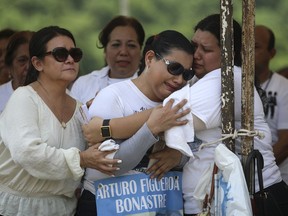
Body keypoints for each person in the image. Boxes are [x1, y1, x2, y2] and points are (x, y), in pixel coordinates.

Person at [0, 26, 121, 216]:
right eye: (60, 54)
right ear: (38, 63)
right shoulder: (24, 98)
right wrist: (80, 159)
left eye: (75, 53)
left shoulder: (81, 109)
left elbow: (98, 151)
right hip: (17, 208)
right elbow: (27, 152)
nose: (70, 59)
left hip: (64, 209)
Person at [76, 30, 195, 215]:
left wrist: (179, 157)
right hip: (106, 207)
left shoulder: (180, 102)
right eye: (174, 68)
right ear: (149, 59)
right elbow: (112, 166)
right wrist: (151, 129)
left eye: (187, 74)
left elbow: (200, 147)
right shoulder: (113, 96)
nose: (179, 79)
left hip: (158, 206)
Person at [181, 14, 288, 216]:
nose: (196, 54)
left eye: (206, 49)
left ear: (229, 54)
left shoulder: (227, 77)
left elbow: (172, 121)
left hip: (256, 198)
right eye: (193, 46)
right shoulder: (200, 79)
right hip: (235, 199)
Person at [70, 15, 145, 104]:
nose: (123, 52)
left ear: (141, 51)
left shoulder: (153, 87)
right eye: (116, 45)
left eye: (131, 45)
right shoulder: (84, 84)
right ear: (105, 50)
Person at [255, 25, 288, 184]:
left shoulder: (284, 87)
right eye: (243, 46)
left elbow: (285, 142)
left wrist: (253, 169)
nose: (247, 51)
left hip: (276, 181)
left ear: (272, 53)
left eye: (255, 46)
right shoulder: (232, 84)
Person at [0, 30, 34, 113]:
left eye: (34, 60)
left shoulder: (55, 96)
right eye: (22, 60)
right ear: (9, 66)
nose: (29, 67)